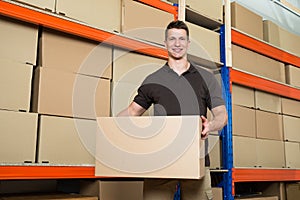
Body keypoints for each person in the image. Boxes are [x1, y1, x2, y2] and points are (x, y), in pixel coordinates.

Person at [118, 20, 228, 200]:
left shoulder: (205, 78)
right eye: (172, 39)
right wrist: (109, 128)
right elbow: (132, 112)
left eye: (181, 39)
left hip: (196, 159)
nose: (177, 44)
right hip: (160, 161)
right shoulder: (153, 79)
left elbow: (221, 114)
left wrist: (211, 125)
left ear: (188, 43)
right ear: (165, 43)